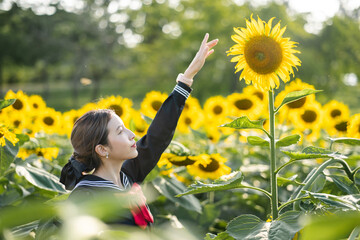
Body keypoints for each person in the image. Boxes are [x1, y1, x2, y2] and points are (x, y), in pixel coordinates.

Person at [59, 33, 218, 229]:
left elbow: (157, 137)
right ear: (101, 149)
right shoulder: (86, 196)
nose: (131, 134)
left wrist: (187, 77)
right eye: (120, 131)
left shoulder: (127, 175)